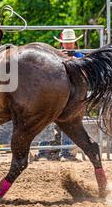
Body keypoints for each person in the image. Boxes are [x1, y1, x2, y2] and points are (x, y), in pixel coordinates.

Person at [36, 29, 83, 162]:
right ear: (62, 44)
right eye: (66, 43)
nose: (68, 45)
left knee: (69, 120)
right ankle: (44, 152)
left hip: (72, 96)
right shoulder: (54, 56)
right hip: (56, 96)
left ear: (75, 43)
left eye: (70, 43)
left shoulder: (80, 56)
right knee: (46, 120)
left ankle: (66, 152)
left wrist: (75, 61)